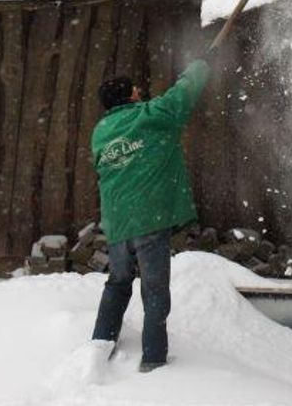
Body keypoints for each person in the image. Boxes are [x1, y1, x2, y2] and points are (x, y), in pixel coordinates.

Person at [89, 59, 210, 374]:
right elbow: (181, 95)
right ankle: (153, 360)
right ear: (129, 96)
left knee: (118, 283)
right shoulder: (152, 116)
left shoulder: (101, 132)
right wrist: (199, 67)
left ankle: (100, 345)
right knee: (154, 289)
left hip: (117, 224)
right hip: (149, 220)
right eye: (135, 89)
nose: (140, 91)